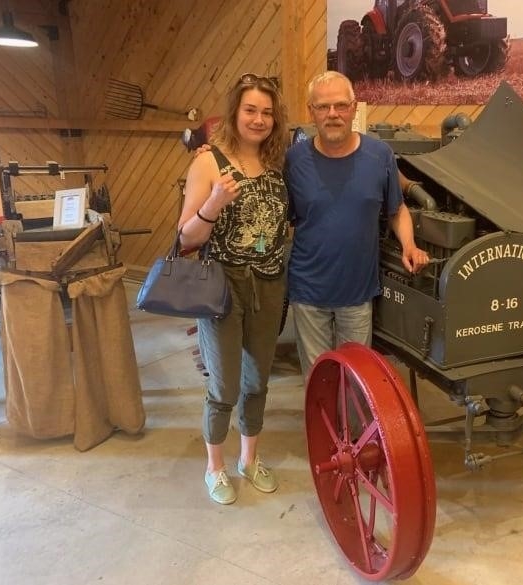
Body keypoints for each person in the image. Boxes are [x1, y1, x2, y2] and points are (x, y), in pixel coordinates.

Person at [178, 73, 289, 505]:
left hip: (269, 284)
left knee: (257, 380)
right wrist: (212, 205)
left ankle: (249, 459)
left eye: (267, 112)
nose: (259, 119)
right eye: (250, 110)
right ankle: (215, 467)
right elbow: (186, 238)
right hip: (222, 288)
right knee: (224, 385)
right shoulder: (208, 162)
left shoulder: (279, 160)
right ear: (234, 112)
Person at [285, 71, 430, 377]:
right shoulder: (294, 161)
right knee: (318, 381)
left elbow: (397, 209)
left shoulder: (379, 156)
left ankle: (349, 427)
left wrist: (409, 245)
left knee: (356, 381)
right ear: (311, 112)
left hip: (358, 292)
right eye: (323, 107)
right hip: (308, 290)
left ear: (353, 108)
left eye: (340, 105)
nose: (332, 114)